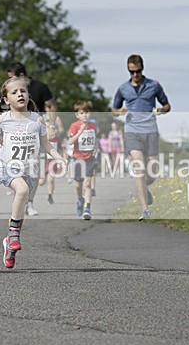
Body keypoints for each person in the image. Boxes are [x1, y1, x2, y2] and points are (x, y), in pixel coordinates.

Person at [0, 75, 65, 269]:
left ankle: (10, 243)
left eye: (22, 90)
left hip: (29, 168)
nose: (19, 94)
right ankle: (13, 234)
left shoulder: (36, 120)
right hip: (7, 166)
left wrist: (60, 158)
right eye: (14, 92)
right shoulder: (3, 120)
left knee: (21, 205)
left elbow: (46, 145)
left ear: (28, 94)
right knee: (21, 191)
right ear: (6, 100)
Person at [111, 54, 171, 221]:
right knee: (139, 170)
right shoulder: (123, 88)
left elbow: (167, 105)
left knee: (152, 173)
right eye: (132, 72)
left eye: (137, 71)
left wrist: (160, 110)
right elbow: (114, 109)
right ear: (128, 71)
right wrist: (119, 111)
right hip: (132, 132)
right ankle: (145, 210)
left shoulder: (154, 85)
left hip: (150, 130)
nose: (135, 75)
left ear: (142, 69)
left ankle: (145, 187)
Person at [6, 62, 55, 216]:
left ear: (22, 75)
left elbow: (51, 105)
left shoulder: (40, 87)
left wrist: (51, 125)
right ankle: (20, 199)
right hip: (16, 133)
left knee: (34, 171)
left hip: (36, 131)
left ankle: (30, 203)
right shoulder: (11, 90)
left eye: (13, 77)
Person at [67, 101, 98, 220]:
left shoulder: (93, 125)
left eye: (87, 112)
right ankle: (80, 199)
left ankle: (87, 208)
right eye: (82, 113)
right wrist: (80, 132)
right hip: (77, 158)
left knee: (88, 183)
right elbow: (70, 141)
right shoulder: (74, 126)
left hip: (89, 158)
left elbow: (95, 138)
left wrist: (96, 147)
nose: (85, 115)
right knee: (78, 184)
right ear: (77, 115)